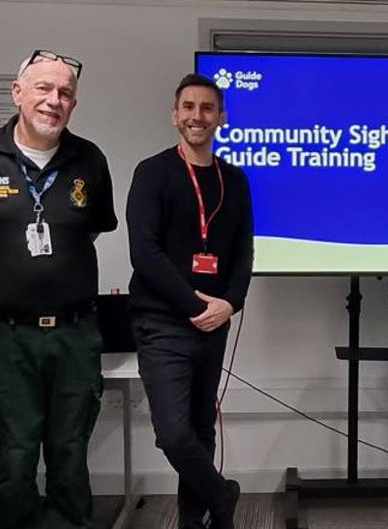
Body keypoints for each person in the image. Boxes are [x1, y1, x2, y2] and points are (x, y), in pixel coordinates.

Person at [0, 49, 117, 528]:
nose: (53, 100)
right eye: (43, 88)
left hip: (75, 332)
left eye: (65, 92)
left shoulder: (89, 158)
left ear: (74, 103)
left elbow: (91, 227)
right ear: (17, 93)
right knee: (13, 455)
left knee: (70, 453)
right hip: (2, 335)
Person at [127, 74, 253, 529]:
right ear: (174, 114)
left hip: (214, 322)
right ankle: (222, 495)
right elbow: (144, 252)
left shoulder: (234, 181)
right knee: (175, 434)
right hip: (162, 323)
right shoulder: (153, 172)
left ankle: (192, 519)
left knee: (201, 428)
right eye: (188, 107)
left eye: (206, 108)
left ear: (221, 117)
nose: (197, 116)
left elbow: (243, 253)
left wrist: (230, 304)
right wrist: (194, 305)